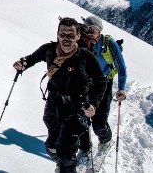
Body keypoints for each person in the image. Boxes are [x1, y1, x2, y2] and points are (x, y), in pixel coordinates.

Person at [13, 17, 107, 173]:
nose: (66, 38)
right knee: (51, 147)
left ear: (78, 37)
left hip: (77, 107)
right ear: (57, 34)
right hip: (54, 103)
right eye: (63, 34)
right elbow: (32, 59)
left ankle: (67, 166)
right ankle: (65, 164)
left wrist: (94, 104)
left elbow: (100, 82)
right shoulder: (49, 50)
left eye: (71, 35)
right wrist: (23, 64)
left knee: (65, 151)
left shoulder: (84, 56)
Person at [77, 15, 128, 157]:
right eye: (87, 29)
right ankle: (85, 147)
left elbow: (121, 67)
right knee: (82, 120)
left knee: (99, 123)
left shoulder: (109, 43)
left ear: (99, 31)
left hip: (104, 84)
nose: (90, 33)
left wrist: (121, 88)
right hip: (86, 85)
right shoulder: (82, 42)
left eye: (93, 30)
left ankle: (105, 139)